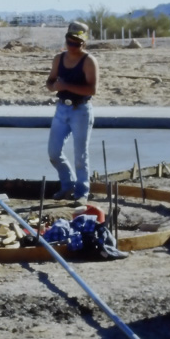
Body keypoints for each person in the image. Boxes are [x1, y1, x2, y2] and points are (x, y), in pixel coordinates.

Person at [45, 21, 98, 204]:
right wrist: (54, 87)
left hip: (80, 110)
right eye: (70, 42)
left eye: (77, 43)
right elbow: (50, 81)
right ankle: (68, 185)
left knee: (80, 155)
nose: (72, 46)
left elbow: (91, 89)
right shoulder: (58, 59)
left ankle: (82, 191)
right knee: (54, 152)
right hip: (62, 108)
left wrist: (66, 85)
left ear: (84, 43)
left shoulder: (88, 61)